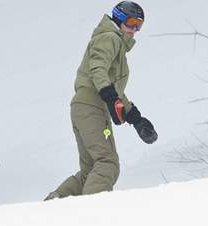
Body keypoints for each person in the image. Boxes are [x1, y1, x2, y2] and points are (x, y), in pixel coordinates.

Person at [45, 1, 158, 200]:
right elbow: (97, 68)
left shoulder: (114, 42)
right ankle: (91, 213)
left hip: (83, 106)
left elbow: (113, 87)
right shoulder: (109, 38)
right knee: (107, 163)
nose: (134, 30)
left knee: (90, 171)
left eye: (139, 25)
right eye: (131, 23)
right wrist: (109, 96)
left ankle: (53, 205)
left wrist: (136, 118)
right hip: (92, 105)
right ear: (119, 19)